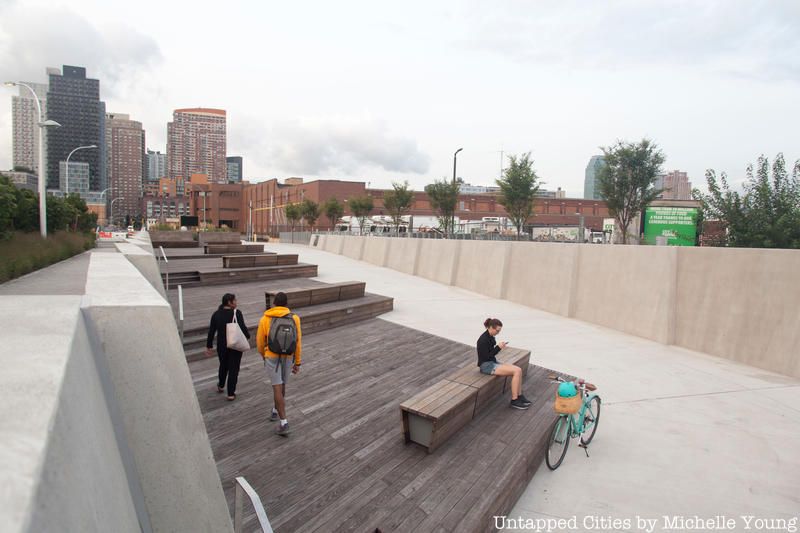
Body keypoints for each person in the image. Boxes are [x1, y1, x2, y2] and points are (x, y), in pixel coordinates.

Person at [256, 292, 302, 436]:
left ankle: (284, 422)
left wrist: (264, 355)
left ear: (274, 303)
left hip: (272, 355)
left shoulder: (265, 318)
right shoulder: (294, 318)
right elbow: (298, 342)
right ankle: (276, 410)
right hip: (288, 356)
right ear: (287, 304)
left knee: (276, 387)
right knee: (282, 385)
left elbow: (259, 342)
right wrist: (298, 362)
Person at [477, 318, 532, 410]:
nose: (498, 333)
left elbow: (491, 354)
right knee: (516, 372)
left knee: (518, 369)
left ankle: (519, 396)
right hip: (486, 366)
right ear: (490, 327)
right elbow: (486, 357)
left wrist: (498, 347)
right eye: (497, 330)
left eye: (499, 331)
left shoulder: (490, 336)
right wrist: (498, 347)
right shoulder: (482, 340)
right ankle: (514, 401)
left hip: (492, 362)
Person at [206, 293, 250, 401]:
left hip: (221, 346)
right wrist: (247, 336)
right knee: (233, 369)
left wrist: (209, 346)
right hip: (235, 345)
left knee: (223, 365)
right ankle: (231, 393)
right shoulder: (237, 313)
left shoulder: (216, 314)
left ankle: (221, 385)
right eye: (235, 301)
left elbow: (211, 331)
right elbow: (243, 328)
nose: (236, 302)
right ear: (229, 302)